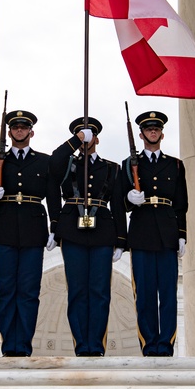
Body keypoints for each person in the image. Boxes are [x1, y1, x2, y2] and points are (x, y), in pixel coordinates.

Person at [0, 110, 60, 357]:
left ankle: (23, 345)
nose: (19, 131)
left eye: (24, 127)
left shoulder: (44, 162)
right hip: (3, 229)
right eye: (15, 127)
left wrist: (55, 227)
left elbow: (54, 197)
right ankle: (8, 346)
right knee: (5, 291)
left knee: (29, 291)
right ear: (10, 132)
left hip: (34, 230)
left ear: (31, 132)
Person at [49, 117, 127, 357]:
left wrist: (121, 240)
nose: (87, 139)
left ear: (98, 139)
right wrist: (77, 140)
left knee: (100, 291)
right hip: (72, 230)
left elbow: (118, 205)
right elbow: (53, 163)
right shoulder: (67, 164)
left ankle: (97, 345)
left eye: (90, 135)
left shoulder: (112, 168)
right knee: (77, 290)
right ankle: (81, 345)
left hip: (103, 231)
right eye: (83, 135)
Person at [121, 111, 188, 357]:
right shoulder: (129, 165)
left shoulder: (175, 165)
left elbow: (181, 203)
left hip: (168, 233)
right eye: (148, 129)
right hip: (141, 233)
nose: (152, 132)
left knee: (168, 294)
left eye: (156, 129)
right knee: (145, 295)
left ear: (161, 133)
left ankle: (166, 344)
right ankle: (149, 344)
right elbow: (121, 201)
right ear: (140, 134)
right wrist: (129, 198)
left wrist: (182, 234)